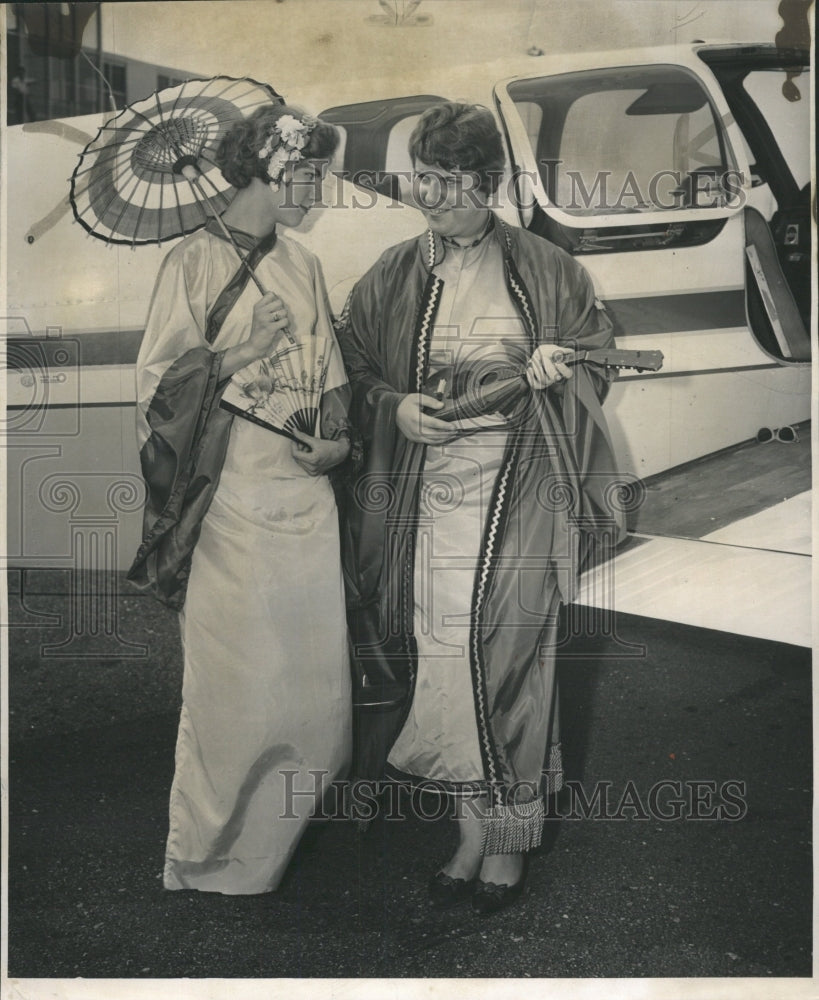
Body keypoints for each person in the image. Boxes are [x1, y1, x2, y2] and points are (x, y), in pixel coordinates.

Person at [338, 102, 625, 914]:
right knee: (441, 659)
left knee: (504, 662)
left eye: (449, 182)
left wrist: (558, 369)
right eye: (421, 178)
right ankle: (470, 832)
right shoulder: (393, 271)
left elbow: (597, 357)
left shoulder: (545, 266)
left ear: (487, 183)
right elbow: (354, 364)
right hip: (427, 494)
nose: (429, 196)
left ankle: (508, 844)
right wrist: (392, 405)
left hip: (521, 487)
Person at [128, 104, 352, 894]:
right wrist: (241, 350)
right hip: (227, 497)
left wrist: (335, 441)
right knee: (238, 688)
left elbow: (330, 384)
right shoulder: (189, 262)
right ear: (269, 167)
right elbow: (157, 394)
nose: (318, 190)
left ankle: (274, 852)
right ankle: (212, 860)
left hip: (303, 496)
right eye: (310, 173)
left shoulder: (303, 265)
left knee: (315, 694)